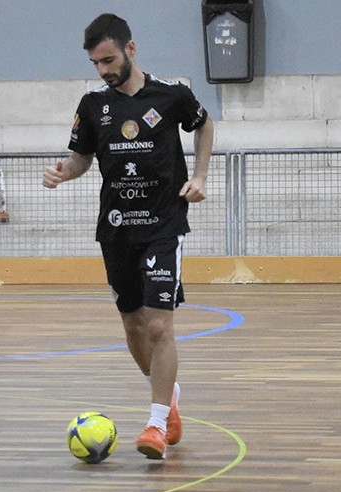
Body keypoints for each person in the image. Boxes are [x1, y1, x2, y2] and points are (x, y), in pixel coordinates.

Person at [42, 13, 214, 459]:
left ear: (131, 49)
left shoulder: (172, 96)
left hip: (162, 226)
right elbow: (81, 159)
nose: (103, 70)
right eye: (96, 64)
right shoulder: (92, 105)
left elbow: (204, 124)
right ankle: (168, 398)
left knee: (159, 325)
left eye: (109, 60)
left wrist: (199, 175)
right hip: (116, 229)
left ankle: (155, 424)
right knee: (135, 328)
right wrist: (64, 174)